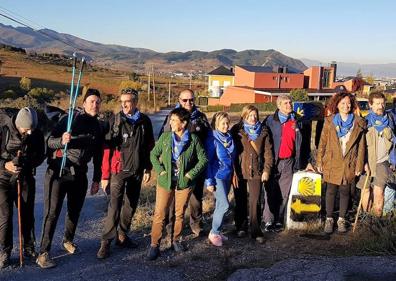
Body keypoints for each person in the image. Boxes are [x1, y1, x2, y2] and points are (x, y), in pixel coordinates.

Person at [36, 89, 104, 269]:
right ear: (84, 104)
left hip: (80, 174)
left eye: (98, 102)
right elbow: (49, 142)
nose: (95, 105)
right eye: (91, 101)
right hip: (59, 171)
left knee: (75, 211)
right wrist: (62, 141)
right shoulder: (69, 120)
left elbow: (98, 156)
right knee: (52, 213)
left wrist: (97, 179)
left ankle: (68, 240)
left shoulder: (99, 127)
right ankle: (43, 253)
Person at [96, 88, 155, 259]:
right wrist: (105, 176)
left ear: (136, 102)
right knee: (114, 207)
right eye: (122, 101)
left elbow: (149, 147)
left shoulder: (145, 121)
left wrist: (148, 168)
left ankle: (122, 236)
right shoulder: (114, 121)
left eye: (128, 101)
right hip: (118, 171)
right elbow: (106, 150)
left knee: (130, 205)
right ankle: (106, 242)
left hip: (137, 171)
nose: (124, 104)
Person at [148, 107, 208, 260]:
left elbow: (203, 160)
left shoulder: (193, 140)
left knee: (179, 214)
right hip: (165, 182)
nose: (171, 122)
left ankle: (176, 240)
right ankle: (155, 244)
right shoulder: (166, 138)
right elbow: (153, 155)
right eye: (171, 119)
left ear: (183, 123)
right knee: (160, 213)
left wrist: (190, 174)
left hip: (184, 183)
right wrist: (160, 171)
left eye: (174, 120)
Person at [159, 89, 210, 236]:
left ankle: (196, 224)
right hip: (176, 167)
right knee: (174, 199)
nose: (188, 103)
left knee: (196, 198)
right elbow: (164, 138)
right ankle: (170, 226)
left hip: (196, 166)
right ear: (179, 100)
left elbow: (209, 141)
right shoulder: (172, 117)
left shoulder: (201, 117)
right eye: (185, 100)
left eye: (191, 100)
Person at [0, 107, 45, 268]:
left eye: (33, 128)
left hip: (25, 178)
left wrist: (26, 164)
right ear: (19, 125)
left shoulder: (36, 134)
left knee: (27, 214)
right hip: (3, 180)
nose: (30, 132)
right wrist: (6, 165)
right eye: (27, 129)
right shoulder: (3, 131)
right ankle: (5, 251)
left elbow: (41, 156)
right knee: (5, 217)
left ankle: (28, 247)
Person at [316, 92, 366, 233]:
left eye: (348, 103)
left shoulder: (358, 122)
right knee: (331, 191)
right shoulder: (329, 121)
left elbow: (361, 147)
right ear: (337, 105)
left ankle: (342, 219)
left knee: (345, 191)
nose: (346, 106)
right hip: (332, 161)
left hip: (349, 162)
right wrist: (319, 160)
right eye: (343, 103)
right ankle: (329, 219)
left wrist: (359, 165)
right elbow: (322, 143)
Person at [264, 95, 312, 231]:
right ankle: (268, 220)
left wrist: (306, 161)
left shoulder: (297, 121)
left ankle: (278, 220)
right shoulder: (270, 121)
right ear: (278, 106)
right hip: (274, 162)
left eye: (290, 102)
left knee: (284, 193)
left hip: (290, 161)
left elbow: (304, 144)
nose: (289, 105)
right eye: (285, 103)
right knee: (270, 191)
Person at [231, 105, 273, 243]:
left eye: (255, 115)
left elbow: (268, 153)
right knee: (240, 199)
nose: (253, 118)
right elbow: (230, 151)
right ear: (244, 116)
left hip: (257, 170)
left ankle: (255, 230)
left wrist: (266, 170)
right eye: (249, 116)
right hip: (240, 170)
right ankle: (240, 226)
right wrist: (232, 169)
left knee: (255, 201)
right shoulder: (237, 130)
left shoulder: (264, 131)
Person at [360, 92, 396, 217]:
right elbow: (361, 145)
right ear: (370, 105)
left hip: (384, 161)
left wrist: (394, 161)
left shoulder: (391, 119)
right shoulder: (365, 122)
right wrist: (362, 162)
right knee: (365, 190)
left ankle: (376, 219)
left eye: (382, 103)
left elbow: (394, 142)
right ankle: (366, 217)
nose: (380, 106)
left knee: (378, 191)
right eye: (377, 104)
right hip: (367, 162)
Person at [205, 112, 236, 247]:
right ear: (216, 124)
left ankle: (217, 231)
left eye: (227, 123)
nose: (226, 126)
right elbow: (208, 162)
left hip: (228, 175)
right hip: (217, 176)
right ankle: (213, 232)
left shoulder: (229, 137)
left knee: (219, 205)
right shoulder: (212, 139)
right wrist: (209, 181)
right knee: (224, 205)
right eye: (222, 123)